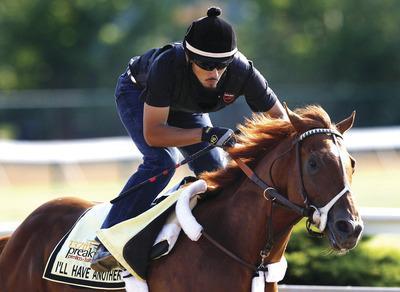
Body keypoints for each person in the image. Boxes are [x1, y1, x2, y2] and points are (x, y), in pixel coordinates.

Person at [90, 6, 287, 272]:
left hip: (187, 108)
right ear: (188, 58)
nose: (215, 73)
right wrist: (205, 133)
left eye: (222, 65)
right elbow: (155, 134)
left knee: (215, 171)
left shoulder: (243, 72)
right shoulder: (167, 65)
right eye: (206, 65)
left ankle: (210, 236)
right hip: (138, 94)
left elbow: (282, 122)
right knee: (161, 161)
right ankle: (108, 239)